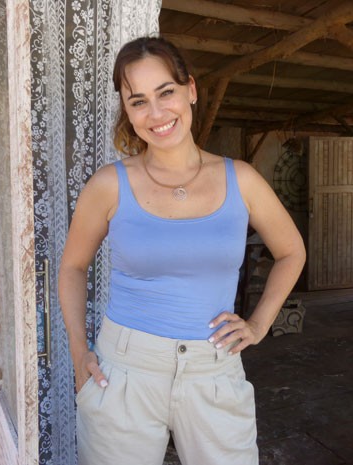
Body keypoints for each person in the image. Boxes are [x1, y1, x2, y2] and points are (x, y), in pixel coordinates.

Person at [58, 36, 306, 465]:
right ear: (127, 110)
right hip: (125, 372)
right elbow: (72, 267)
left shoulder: (241, 180)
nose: (156, 113)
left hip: (215, 368)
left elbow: (291, 251)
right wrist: (80, 354)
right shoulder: (108, 185)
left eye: (166, 92)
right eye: (138, 101)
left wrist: (259, 324)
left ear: (190, 89)